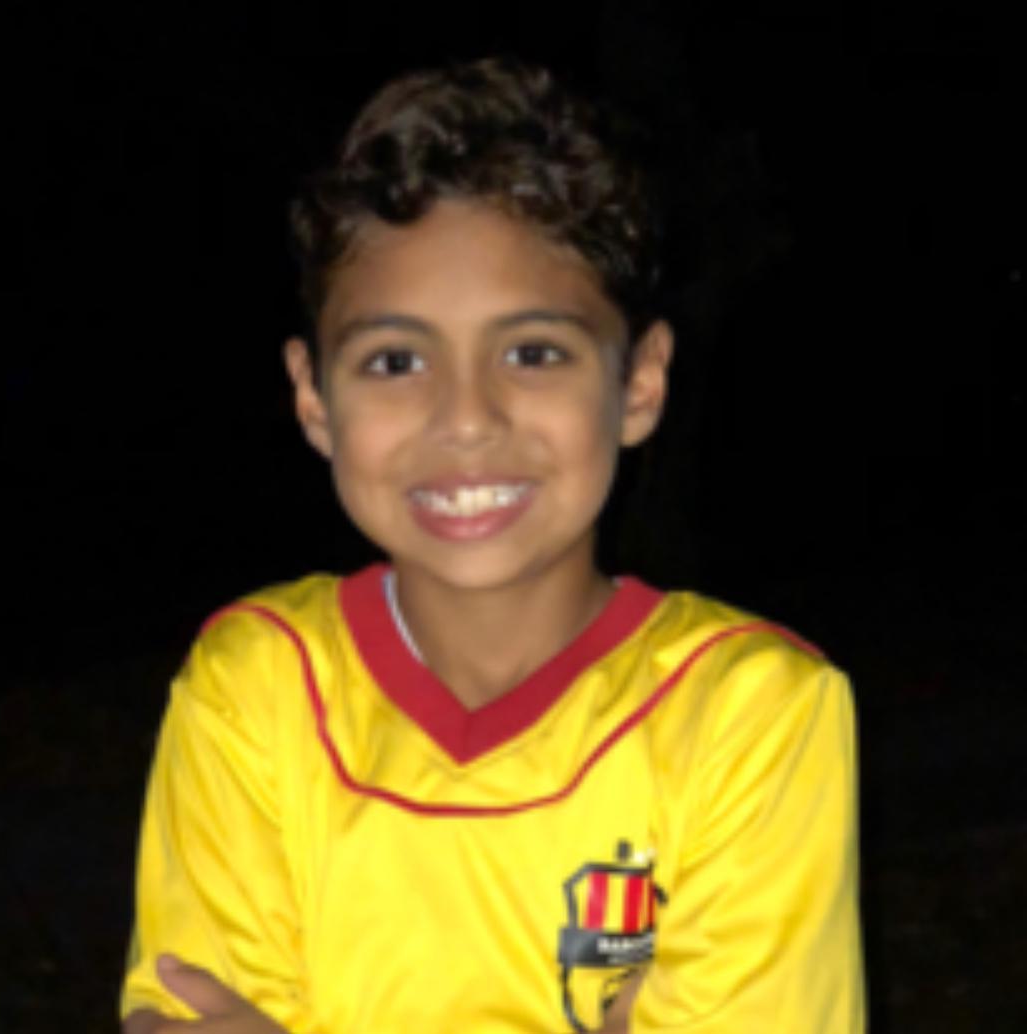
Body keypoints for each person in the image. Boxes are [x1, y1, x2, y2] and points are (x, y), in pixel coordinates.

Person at [120, 57, 864, 1034]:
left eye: (532, 353)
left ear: (639, 383)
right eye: (395, 360)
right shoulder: (256, 688)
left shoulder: (748, 715)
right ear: (314, 398)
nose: (466, 417)